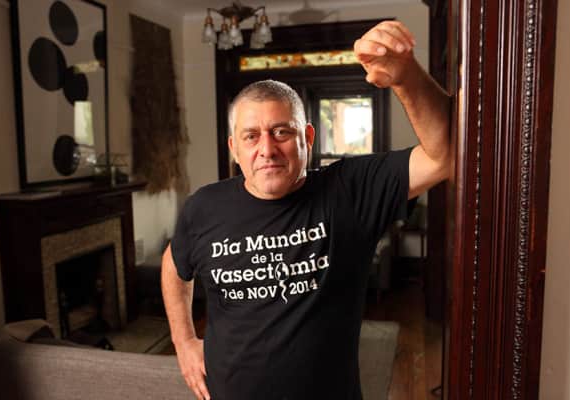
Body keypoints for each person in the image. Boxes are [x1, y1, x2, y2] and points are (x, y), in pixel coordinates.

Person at [161, 20, 451, 400]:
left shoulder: (350, 190)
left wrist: (406, 78)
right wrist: (183, 341)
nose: (267, 149)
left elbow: (444, 155)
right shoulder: (204, 207)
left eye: (282, 132)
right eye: (251, 136)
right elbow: (174, 264)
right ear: (234, 148)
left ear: (308, 138)